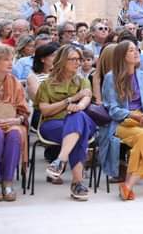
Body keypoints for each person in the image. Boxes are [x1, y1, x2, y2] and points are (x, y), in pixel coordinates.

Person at [101, 41, 143, 200]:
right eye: (131, 50)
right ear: (121, 56)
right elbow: (113, 109)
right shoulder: (111, 78)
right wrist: (134, 115)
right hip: (122, 122)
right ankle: (129, 185)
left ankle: (128, 185)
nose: (136, 52)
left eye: (136, 50)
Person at [35, 45, 96, 200]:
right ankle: (77, 183)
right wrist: (70, 100)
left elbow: (86, 99)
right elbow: (45, 111)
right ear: (62, 61)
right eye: (73, 59)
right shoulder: (47, 84)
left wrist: (78, 106)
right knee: (77, 134)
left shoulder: (83, 81)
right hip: (54, 123)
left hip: (80, 121)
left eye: (79, 59)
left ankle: (60, 160)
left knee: (78, 117)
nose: (77, 63)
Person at [0, 45, 29, 202]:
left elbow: (24, 112)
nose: (11, 63)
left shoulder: (15, 82)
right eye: (6, 60)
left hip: (12, 121)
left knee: (15, 134)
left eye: (12, 59)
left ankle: (7, 181)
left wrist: (16, 120)